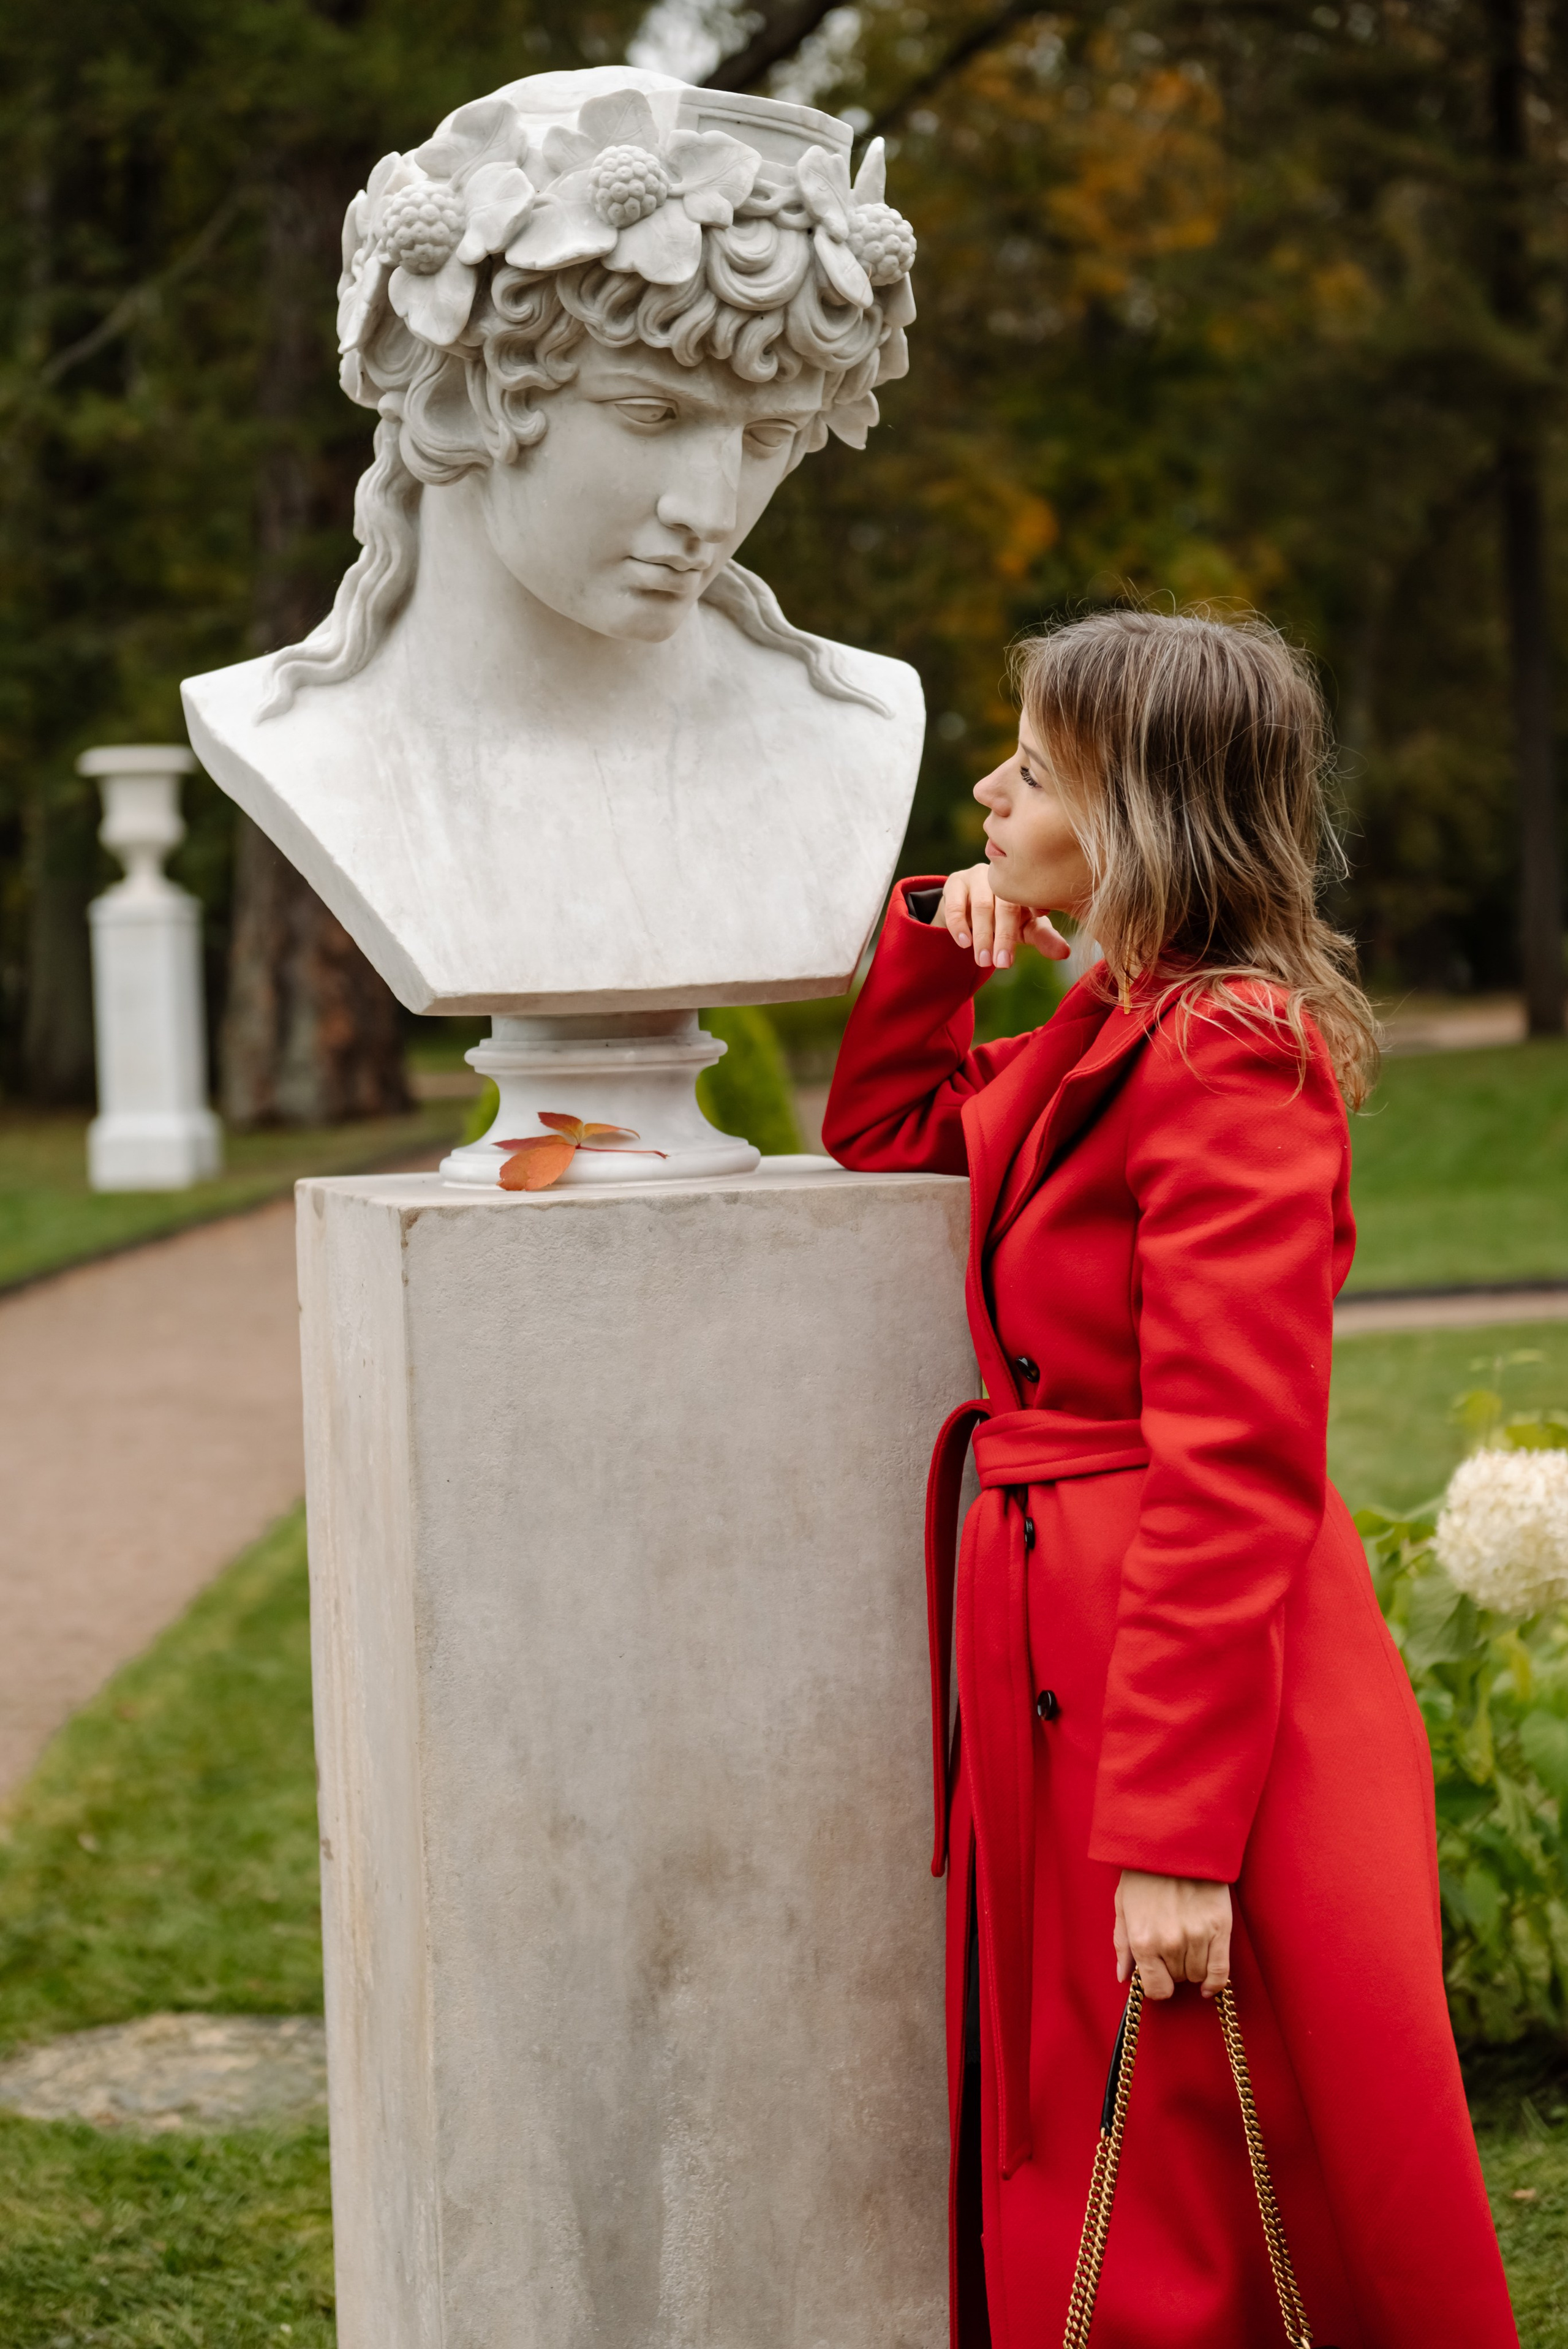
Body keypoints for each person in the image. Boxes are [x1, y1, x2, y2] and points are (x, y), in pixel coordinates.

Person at [823, 609, 1518, 2349]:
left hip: (1196, 1701)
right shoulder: (1112, 1024)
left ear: (1139, 812)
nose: (987, 796)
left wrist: (1177, 1841)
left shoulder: (1229, 1054)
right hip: (1078, 1662)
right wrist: (938, 940)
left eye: (1031, 772)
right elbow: (890, 1135)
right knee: (1127, 2152)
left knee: (1218, 2179)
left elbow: (1237, 1467)